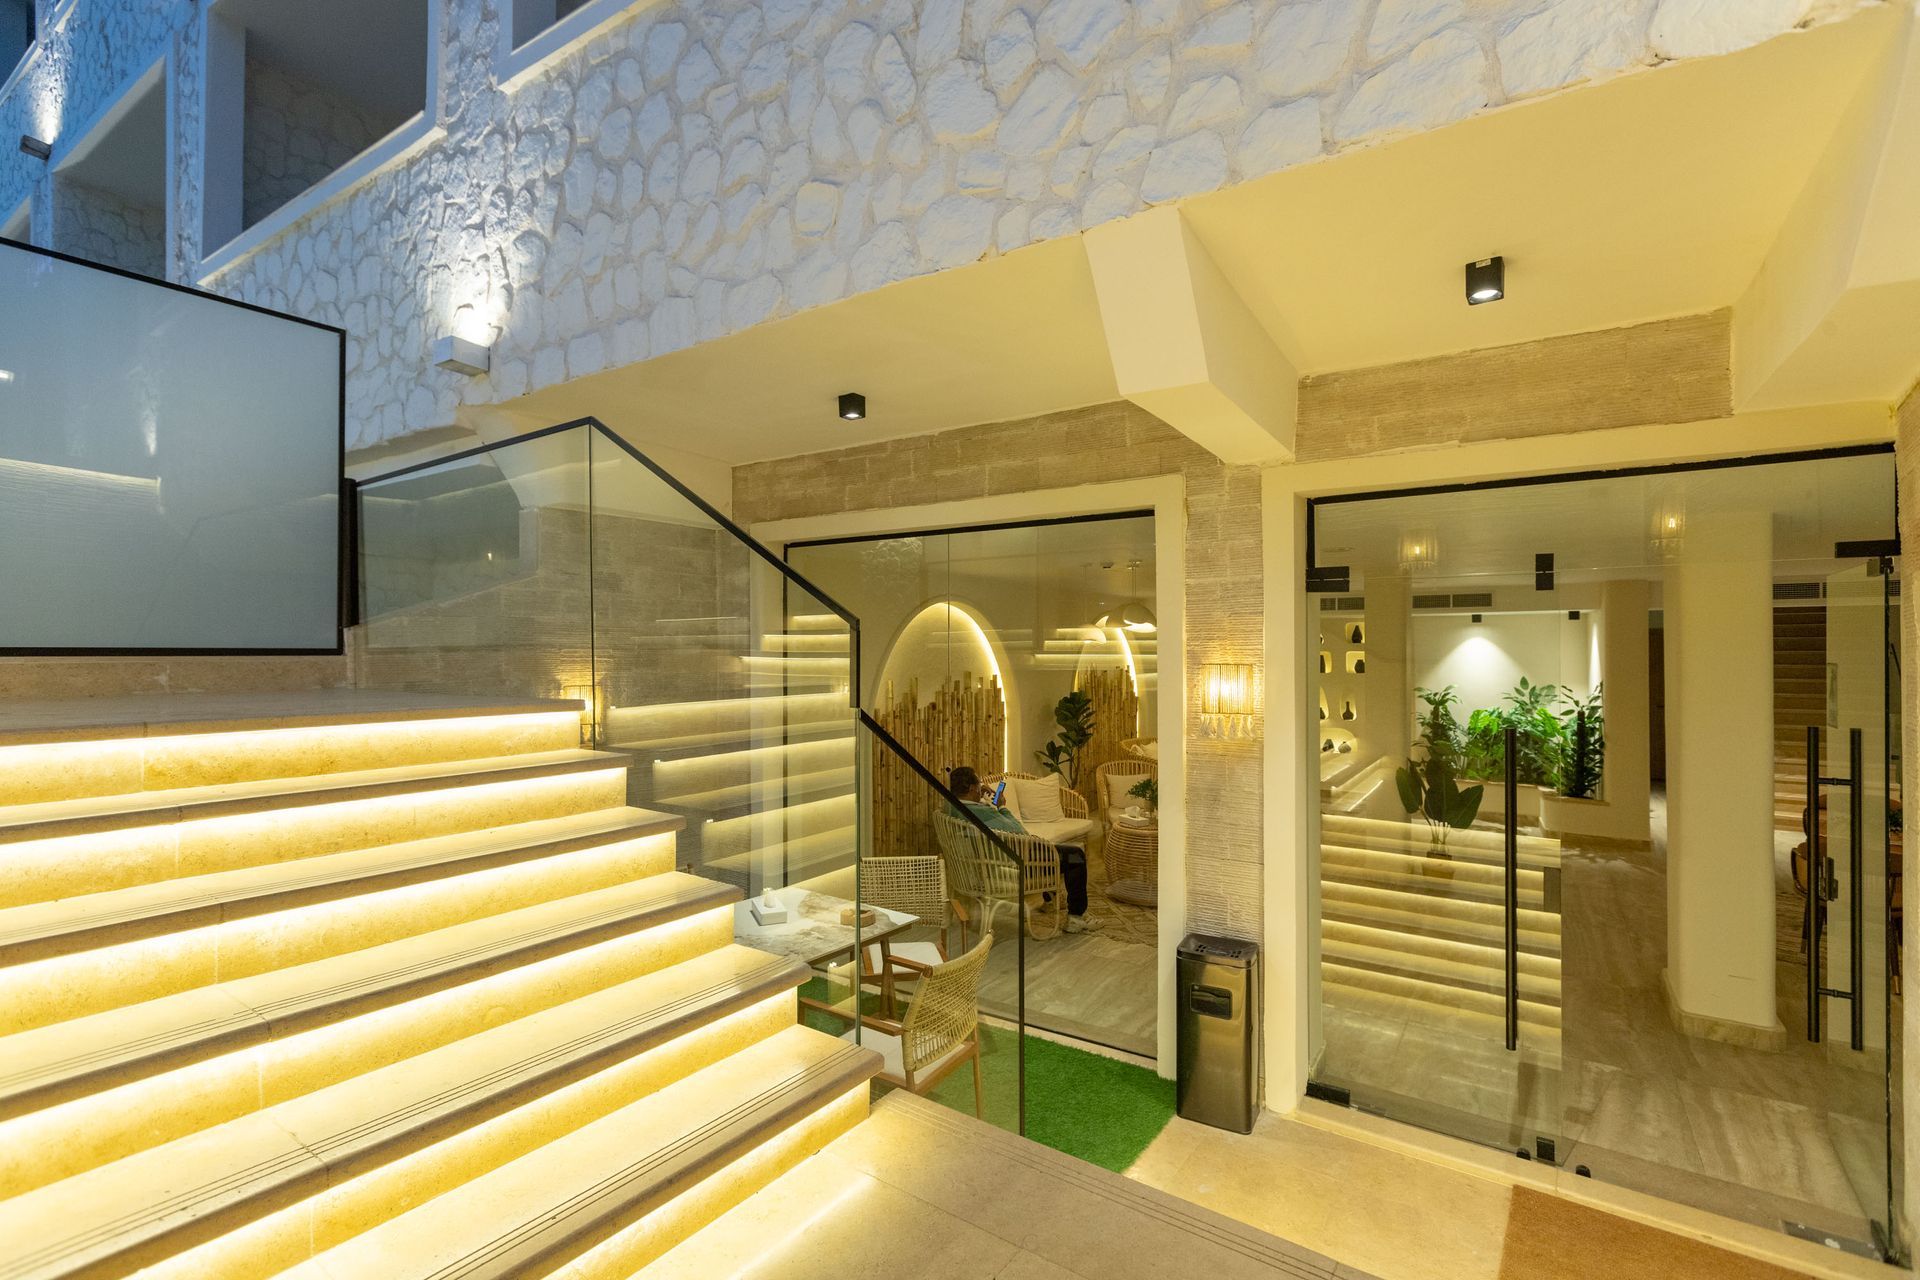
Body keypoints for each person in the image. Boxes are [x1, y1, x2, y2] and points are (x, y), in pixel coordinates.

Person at [947, 765, 1101, 934]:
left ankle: (1050, 900)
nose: (981, 787)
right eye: (978, 784)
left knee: (1051, 850)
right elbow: (1019, 831)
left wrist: (981, 790)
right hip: (1015, 864)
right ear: (971, 788)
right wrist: (1002, 806)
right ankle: (1076, 917)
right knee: (1075, 856)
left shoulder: (952, 808)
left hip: (990, 862)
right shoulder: (981, 812)